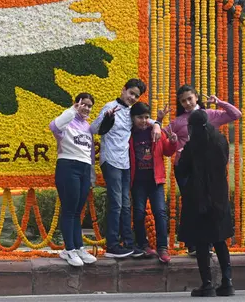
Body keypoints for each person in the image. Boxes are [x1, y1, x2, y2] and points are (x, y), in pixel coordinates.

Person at [157, 84, 242, 255]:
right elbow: (161, 138)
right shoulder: (178, 121)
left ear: (196, 97)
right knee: (190, 204)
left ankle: (208, 242)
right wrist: (158, 123)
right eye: (183, 101)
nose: (187, 103)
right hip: (185, 169)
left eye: (190, 98)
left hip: (207, 169)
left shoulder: (210, 115)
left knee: (208, 203)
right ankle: (193, 245)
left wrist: (219, 102)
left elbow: (236, 114)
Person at [90, 78, 162, 258]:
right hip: (111, 161)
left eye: (136, 96)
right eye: (131, 93)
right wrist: (108, 118)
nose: (133, 97)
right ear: (123, 90)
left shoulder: (131, 112)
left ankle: (129, 244)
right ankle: (113, 245)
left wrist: (157, 125)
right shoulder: (109, 107)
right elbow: (93, 129)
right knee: (116, 203)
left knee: (126, 204)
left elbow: (148, 120)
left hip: (125, 163)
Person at [176, 110, 235, 297]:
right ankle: (227, 282)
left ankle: (207, 284)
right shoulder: (220, 140)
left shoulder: (192, 145)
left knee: (202, 242)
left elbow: (182, 169)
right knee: (220, 239)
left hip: (198, 199)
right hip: (219, 197)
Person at [49, 93, 98, 267]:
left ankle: (78, 247)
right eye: (83, 104)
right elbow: (53, 126)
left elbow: (91, 153)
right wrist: (72, 110)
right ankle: (68, 249)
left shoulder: (88, 127)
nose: (86, 108)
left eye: (89, 106)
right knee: (69, 210)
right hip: (68, 166)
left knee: (78, 211)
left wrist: (91, 176)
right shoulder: (67, 120)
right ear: (76, 104)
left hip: (84, 168)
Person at [129, 102, 177, 263]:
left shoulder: (156, 131)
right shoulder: (129, 134)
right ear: (133, 118)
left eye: (146, 117)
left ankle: (162, 247)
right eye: (139, 117)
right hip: (138, 181)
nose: (143, 121)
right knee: (139, 213)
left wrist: (173, 142)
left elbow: (168, 152)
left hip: (156, 180)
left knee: (160, 213)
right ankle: (143, 245)